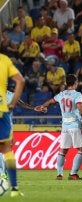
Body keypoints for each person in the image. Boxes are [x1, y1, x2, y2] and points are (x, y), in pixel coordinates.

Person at [37, 74, 82, 180]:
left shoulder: (61, 94)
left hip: (65, 126)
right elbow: (79, 106)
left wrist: (43, 106)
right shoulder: (77, 94)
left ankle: (59, 174)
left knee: (63, 150)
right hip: (75, 124)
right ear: (75, 83)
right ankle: (73, 173)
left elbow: (50, 101)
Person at [0, 90, 44, 178]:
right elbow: (21, 104)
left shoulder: (10, 95)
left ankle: (3, 172)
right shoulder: (10, 95)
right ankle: (3, 172)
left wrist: (33, 108)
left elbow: (21, 103)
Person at [0, 53, 25, 197]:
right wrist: (13, 103)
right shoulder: (4, 60)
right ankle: (14, 187)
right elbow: (20, 81)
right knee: (6, 149)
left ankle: (2, 177)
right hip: (2, 110)